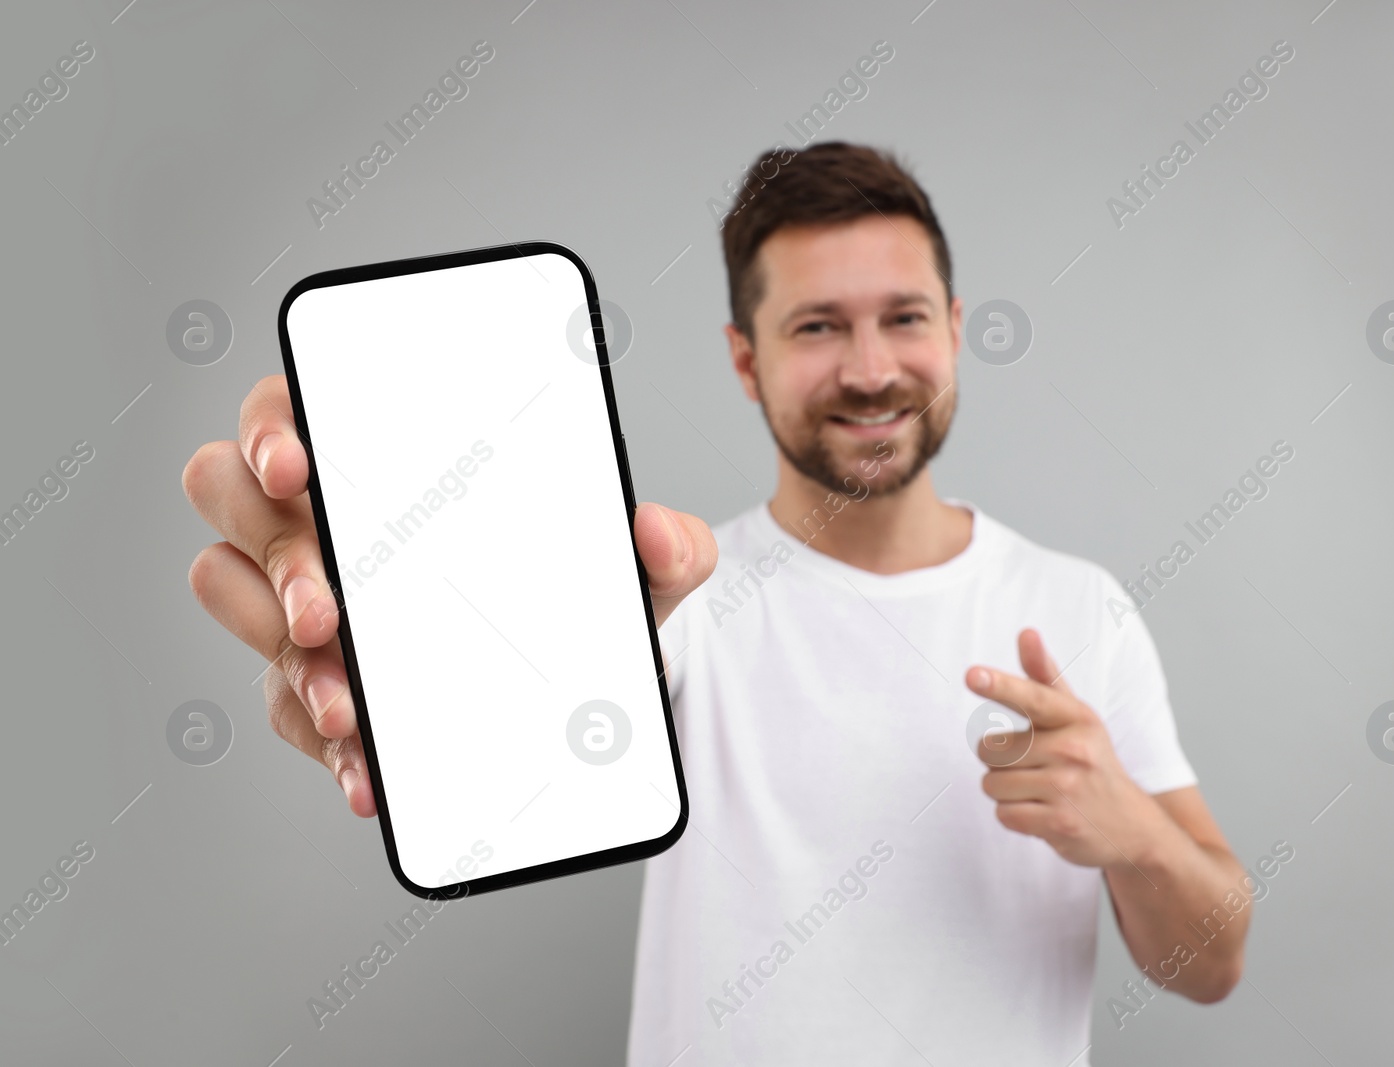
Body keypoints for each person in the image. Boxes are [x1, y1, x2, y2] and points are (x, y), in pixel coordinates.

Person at [184, 140, 1249, 1065]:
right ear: (745, 359)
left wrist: (1134, 835)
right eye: (818, 327)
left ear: (956, 329)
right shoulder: (675, 602)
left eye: (904, 317)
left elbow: (1213, 962)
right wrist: (381, 611)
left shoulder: (1077, 607)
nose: (871, 367)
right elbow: (505, 723)